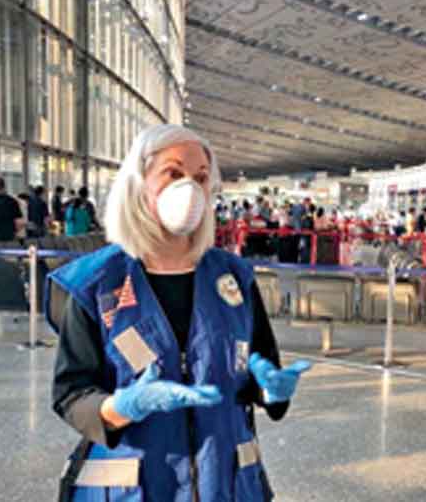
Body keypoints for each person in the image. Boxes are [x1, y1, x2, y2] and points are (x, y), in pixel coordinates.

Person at [48, 124, 312, 501]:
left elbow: (258, 370)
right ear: (138, 183)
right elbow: (71, 394)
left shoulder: (234, 279)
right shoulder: (97, 284)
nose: (189, 188)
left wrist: (272, 392)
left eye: (200, 178)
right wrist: (121, 407)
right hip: (130, 489)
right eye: (173, 173)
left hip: (229, 486)